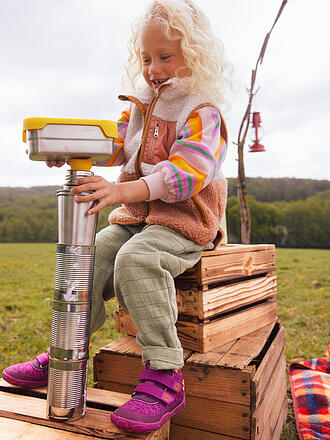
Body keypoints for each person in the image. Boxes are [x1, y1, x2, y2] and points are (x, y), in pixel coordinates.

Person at [2, 0, 232, 433]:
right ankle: (64, 353)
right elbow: (118, 149)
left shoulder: (203, 111)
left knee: (137, 260)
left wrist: (121, 191)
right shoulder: (141, 104)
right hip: (136, 217)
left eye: (165, 56)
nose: (152, 67)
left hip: (185, 220)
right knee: (91, 255)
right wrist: (71, 153)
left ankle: (166, 374)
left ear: (196, 53)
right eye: (147, 58)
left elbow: (186, 174)